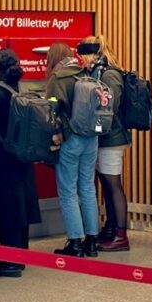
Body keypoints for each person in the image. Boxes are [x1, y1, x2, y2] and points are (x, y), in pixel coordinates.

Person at [0, 48, 41, 277]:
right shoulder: (17, 87)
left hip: (0, 158)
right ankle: (21, 254)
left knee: (6, 206)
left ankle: (11, 261)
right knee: (20, 204)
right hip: (20, 155)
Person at [45, 42, 99, 257]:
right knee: (87, 187)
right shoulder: (86, 73)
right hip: (91, 138)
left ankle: (75, 242)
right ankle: (92, 241)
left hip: (70, 139)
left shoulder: (57, 78)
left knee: (68, 192)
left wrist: (55, 136)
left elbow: (52, 108)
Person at [77, 35, 131, 253]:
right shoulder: (97, 72)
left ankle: (121, 235)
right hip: (101, 138)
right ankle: (110, 229)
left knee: (113, 185)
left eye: (82, 55)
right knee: (106, 186)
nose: (80, 60)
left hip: (112, 138)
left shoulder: (110, 74)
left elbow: (111, 105)